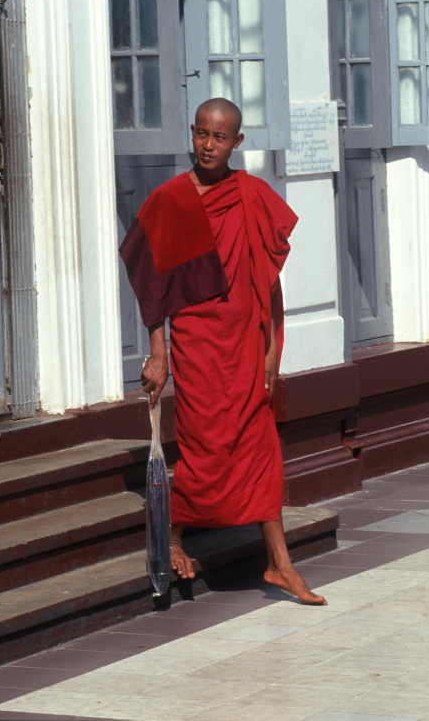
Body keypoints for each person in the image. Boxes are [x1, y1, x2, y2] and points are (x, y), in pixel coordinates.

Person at [120, 98, 327, 605]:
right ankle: (173, 538)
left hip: (246, 345)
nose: (208, 146)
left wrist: (272, 352)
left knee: (261, 452)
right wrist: (158, 353)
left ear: (238, 142)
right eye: (201, 135)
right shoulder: (170, 201)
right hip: (199, 347)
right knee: (205, 446)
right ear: (191, 133)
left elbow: (268, 283)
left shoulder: (251, 195)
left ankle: (280, 564)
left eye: (220, 137)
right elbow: (154, 290)